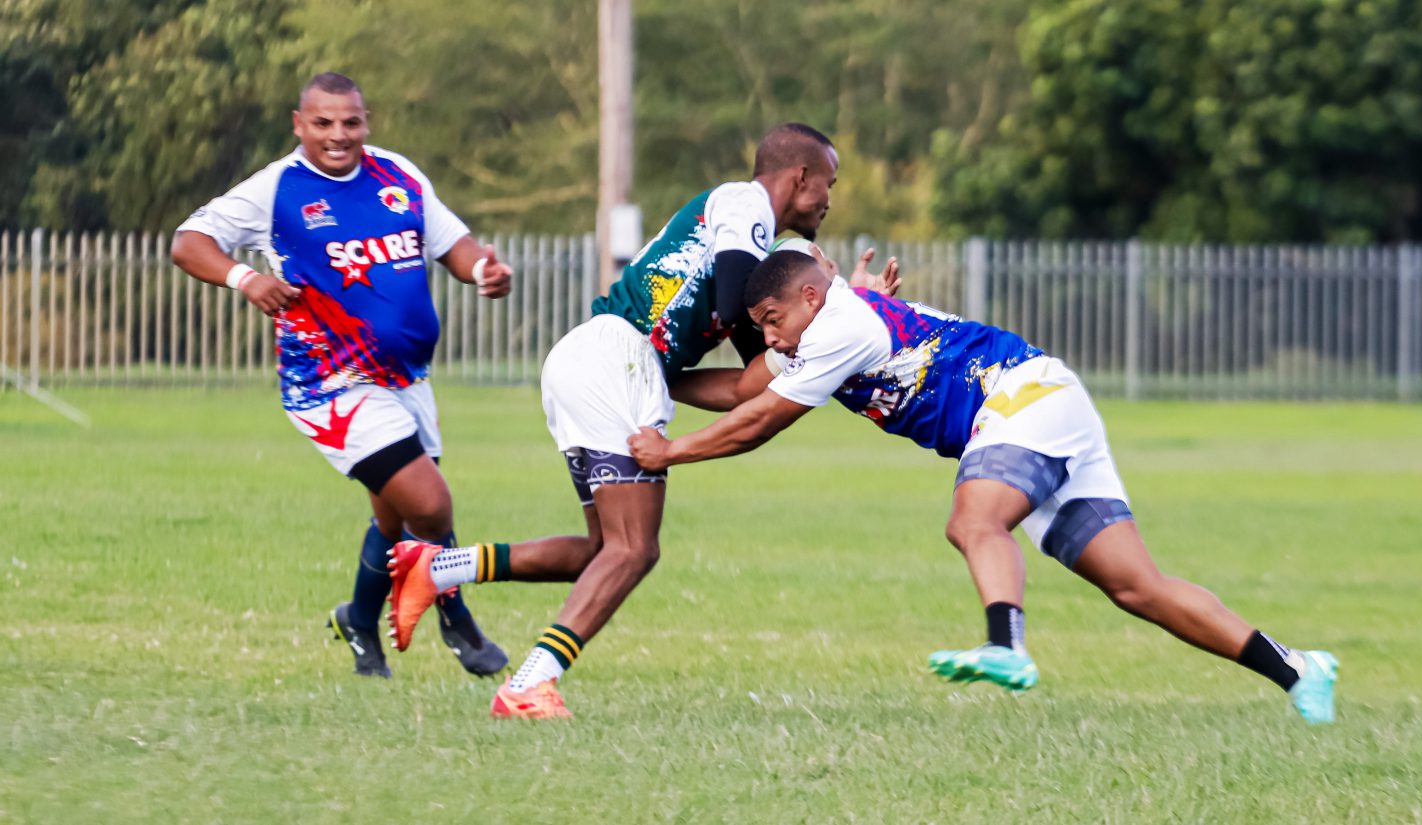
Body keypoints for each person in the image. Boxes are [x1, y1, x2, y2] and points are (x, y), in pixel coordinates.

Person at [624, 248, 1340, 724]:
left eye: (774, 321)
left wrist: (667, 453)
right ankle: (1300, 669)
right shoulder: (823, 329)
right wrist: (655, 374)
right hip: (1041, 409)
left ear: (809, 296)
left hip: (1023, 401)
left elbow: (756, 424)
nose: (771, 339)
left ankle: (1007, 645)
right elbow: (743, 387)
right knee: (1137, 587)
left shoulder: (838, 326)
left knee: (973, 521)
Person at [385, 124, 899, 719]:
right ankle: (528, 685)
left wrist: (839, 313)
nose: (829, 199)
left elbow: (744, 385)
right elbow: (738, 306)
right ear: (800, 178)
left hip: (611, 362)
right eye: (828, 184)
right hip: (617, 361)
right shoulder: (746, 204)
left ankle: (439, 566)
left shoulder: (753, 250)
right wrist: (823, 291)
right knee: (634, 550)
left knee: (603, 550)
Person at [170, 72, 511, 679]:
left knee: (395, 515)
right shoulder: (276, 188)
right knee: (430, 506)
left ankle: (358, 618)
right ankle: (455, 616)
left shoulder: (397, 175)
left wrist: (484, 270)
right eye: (322, 123)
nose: (337, 135)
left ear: (366, 121)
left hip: (406, 379)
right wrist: (245, 279)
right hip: (332, 387)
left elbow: (455, 245)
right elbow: (188, 242)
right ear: (298, 124)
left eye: (349, 122)